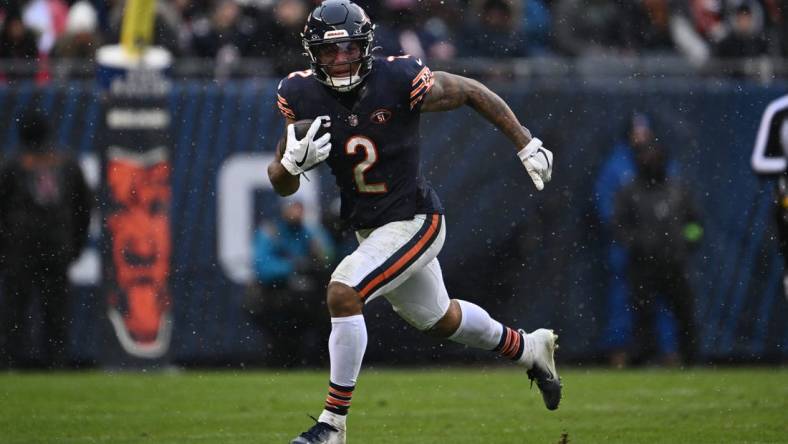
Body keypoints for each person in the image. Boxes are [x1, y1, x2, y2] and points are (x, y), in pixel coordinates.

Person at [266, 2, 560, 443]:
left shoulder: (398, 78)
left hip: (414, 217)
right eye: (330, 52)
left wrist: (525, 142)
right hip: (371, 227)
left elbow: (470, 90)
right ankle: (530, 348)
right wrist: (290, 164)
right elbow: (281, 184)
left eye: (349, 49)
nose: (341, 60)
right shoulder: (301, 93)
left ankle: (331, 427)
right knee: (441, 318)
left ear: (365, 46)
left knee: (343, 292)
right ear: (313, 55)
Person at [0, 109, 92, 369]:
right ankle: (56, 363)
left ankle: (8, 364)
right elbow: (83, 208)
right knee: (56, 311)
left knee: (15, 311)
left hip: (20, 247)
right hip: (56, 246)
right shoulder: (66, 162)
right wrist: (75, 245)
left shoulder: (12, 164)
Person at [612, 142, 702, 366]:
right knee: (643, 315)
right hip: (642, 266)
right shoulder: (629, 191)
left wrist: (685, 242)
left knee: (685, 314)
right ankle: (644, 359)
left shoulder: (677, 189)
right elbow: (619, 226)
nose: (650, 160)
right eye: (644, 156)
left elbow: (696, 225)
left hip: (675, 263)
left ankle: (690, 359)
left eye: (654, 155)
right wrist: (638, 243)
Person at [248, 197, 335, 367]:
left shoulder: (309, 233)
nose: (296, 213)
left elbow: (328, 256)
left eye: (299, 209)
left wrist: (317, 256)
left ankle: (321, 362)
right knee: (281, 330)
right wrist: (293, 267)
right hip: (276, 296)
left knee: (325, 314)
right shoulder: (270, 233)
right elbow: (263, 268)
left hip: (306, 299)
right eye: (292, 208)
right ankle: (279, 361)